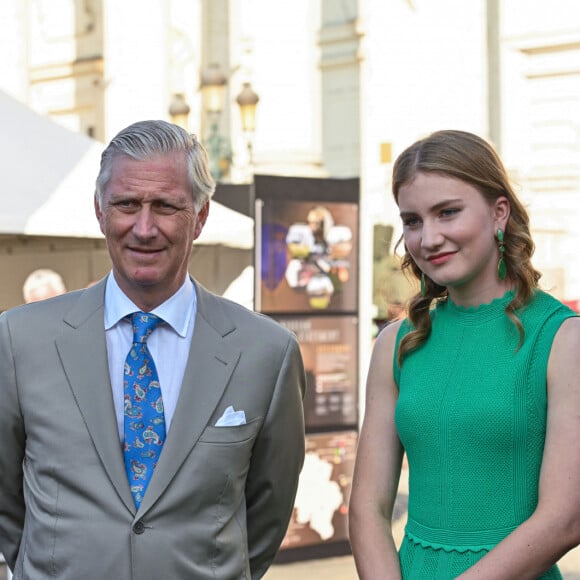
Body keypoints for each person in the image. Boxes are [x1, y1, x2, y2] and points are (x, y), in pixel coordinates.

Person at [0, 120, 306, 579]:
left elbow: (267, 511)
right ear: (100, 211)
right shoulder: (19, 340)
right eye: (126, 204)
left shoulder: (266, 352)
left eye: (165, 206)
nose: (144, 228)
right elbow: (7, 501)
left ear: (201, 216)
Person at [349, 129, 580, 579]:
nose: (428, 238)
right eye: (412, 220)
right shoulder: (396, 342)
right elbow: (367, 508)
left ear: (499, 212)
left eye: (447, 212)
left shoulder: (562, 338)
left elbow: (565, 518)